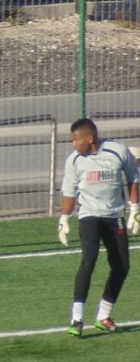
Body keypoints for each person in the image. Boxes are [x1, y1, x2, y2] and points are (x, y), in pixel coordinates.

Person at [58, 118, 140, 336]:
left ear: (89, 138)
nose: (73, 144)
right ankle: (77, 319)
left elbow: (133, 177)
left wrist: (135, 209)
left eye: (76, 139)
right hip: (89, 216)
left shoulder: (118, 151)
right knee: (89, 260)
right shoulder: (74, 160)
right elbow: (69, 191)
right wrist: (63, 219)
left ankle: (103, 315)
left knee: (121, 266)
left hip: (114, 216)